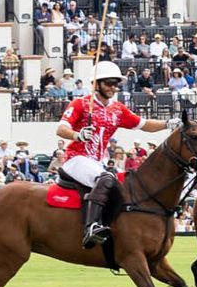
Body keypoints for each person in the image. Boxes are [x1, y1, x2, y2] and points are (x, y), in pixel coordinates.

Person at [57, 60, 173, 247]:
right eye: (108, 83)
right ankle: (92, 227)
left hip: (97, 162)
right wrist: (77, 135)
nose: (113, 87)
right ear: (96, 84)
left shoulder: (117, 109)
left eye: (116, 83)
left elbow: (144, 125)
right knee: (106, 179)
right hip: (76, 158)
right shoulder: (81, 104)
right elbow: (61, 128)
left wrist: (169, 124)